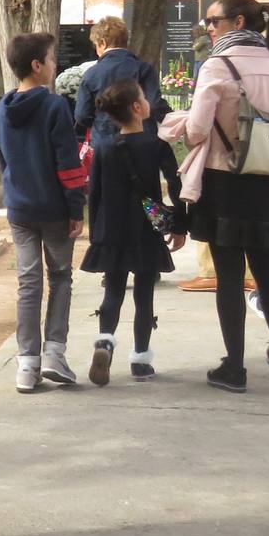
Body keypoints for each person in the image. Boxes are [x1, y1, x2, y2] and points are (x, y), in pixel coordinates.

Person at [160, 0, 269, 393]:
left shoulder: (217, 67)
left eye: (212, 21)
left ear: (237, 22)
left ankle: (235, 368)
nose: (207, 27)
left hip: (226, 182)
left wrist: (176, 124)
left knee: (229, 277)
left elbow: (198, 131)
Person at [0, 31, 87, 392]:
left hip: (19, 207)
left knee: (28, 283)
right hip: (54, 209)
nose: (55, 65)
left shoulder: (1, 108)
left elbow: (0, 156)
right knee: (60, 276)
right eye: (51, 59)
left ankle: (27, 365)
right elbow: (67, 163)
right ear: (37, 65)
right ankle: (54, 354)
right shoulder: (54, 106)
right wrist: (75, 207)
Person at [81, 78, 187, 384]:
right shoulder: (157, 146)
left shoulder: (103, 148)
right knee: (144, 294)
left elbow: (95, 194)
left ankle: (104, 342)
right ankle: (140, 360)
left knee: (113, 290)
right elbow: (177, 188)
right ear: (138, 108)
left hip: (112, 230)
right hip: (146, 229)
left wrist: (96, 232)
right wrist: (179, 225)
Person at [74, 16, 170, 225]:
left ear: (102, 43)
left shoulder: (92, 74)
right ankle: (153, 227)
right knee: (147, 192)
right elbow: (153, 103)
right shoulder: (143, 69)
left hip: (104, 144)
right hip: (142, 141)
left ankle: (107, 232)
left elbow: (82, 115)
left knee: (108, 192)